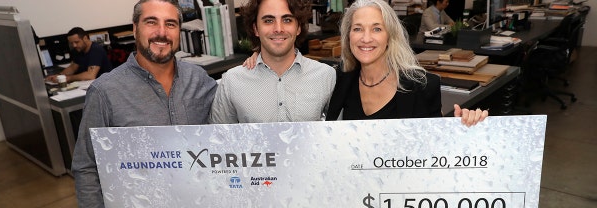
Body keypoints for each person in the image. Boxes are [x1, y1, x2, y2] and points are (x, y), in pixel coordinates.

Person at [71, 0, 215, 208]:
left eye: (171, 24)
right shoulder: (106, 92)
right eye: (151, 23)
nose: (161, 33)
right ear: (134, 29)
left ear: (180, 32)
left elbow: (224, 144)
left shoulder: (200, 81)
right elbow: (85, 165)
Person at [327, 0, 486, 125]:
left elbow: (435, 145)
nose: (366, 38)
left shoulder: (423, 85)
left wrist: (462, 125)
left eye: (377, 29)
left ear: (390, 36)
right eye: (357, 29)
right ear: (348, 36)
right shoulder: (337, 80)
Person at [208, 0, 336, 124]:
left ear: (298, 28)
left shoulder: (326, 76)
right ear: (256, 29)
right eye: (268, 21)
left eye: (287, 20)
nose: (278, 29)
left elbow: (341, 136)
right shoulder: (232, 81)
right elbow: (218, 140)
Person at [46, 27, 113, 83]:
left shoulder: (96, 50)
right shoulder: (79, 50)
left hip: (103, 84)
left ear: (85, 38)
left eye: (76, 42)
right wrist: (59, 76)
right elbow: (72, 68)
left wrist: (68, 78)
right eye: (71, 43)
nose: (74, 45)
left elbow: (90, 75)